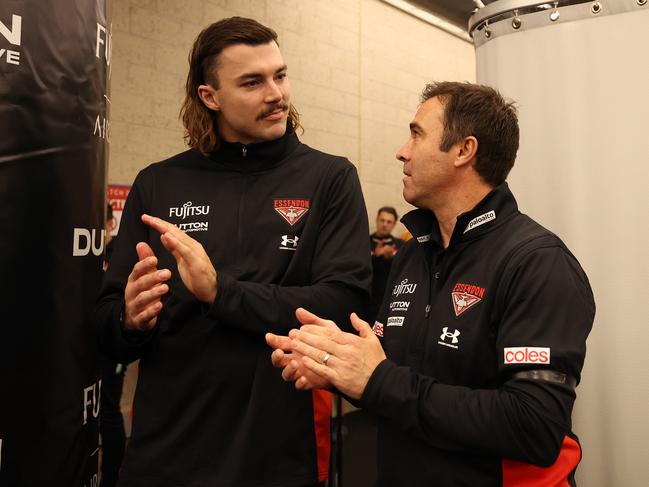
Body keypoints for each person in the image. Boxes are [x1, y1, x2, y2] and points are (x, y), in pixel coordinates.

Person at [267, 81, 595, 486]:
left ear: (463, 150)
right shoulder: (413, 254)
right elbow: (393, 386)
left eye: (417, 134)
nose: (402, 151)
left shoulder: (537, 263)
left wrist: (377, 379)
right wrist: (338, 366)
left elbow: (534, 426)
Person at [94, 17, 371, 487]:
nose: (276, 93)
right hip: (165, 456)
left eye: (280, 75)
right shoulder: (159, 182)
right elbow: (106, 329)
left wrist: (222, 293)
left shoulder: (330, 179)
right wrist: (129, 319)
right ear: (210, 96)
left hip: (278, 455)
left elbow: (344, 306)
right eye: (252, 82)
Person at [99, 203, 127, 487]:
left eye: (101, 223)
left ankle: (111, 479)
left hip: (114, 348)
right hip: (85, 345)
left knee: (108, 409)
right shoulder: (78, 255)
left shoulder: (118, 252)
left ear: (110, 224)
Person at [367, 207, 403, 324]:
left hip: (389, 302)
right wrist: (375, 257)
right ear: (377, 220)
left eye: (389, 222)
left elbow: (404, 273)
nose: (384, 224)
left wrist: (390, 259)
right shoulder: (364, 241)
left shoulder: (401, 245)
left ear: (394, 224)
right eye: (382, 220)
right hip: (366, 299)